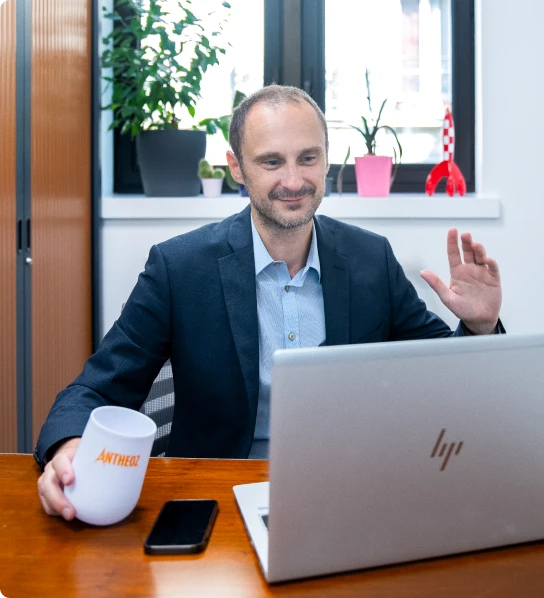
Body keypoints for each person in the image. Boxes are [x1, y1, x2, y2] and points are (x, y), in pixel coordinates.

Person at [36, 85, 504, 520]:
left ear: (327, 159)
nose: (294, 180)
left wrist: (481, 326)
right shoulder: (179, 268)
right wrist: (69, 448)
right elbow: (95, 390)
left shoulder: (371, 259)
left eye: (308, 158)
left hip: (350, 491)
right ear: (237, 167)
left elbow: (445, 376)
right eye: (272, 162)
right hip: (220, 494)